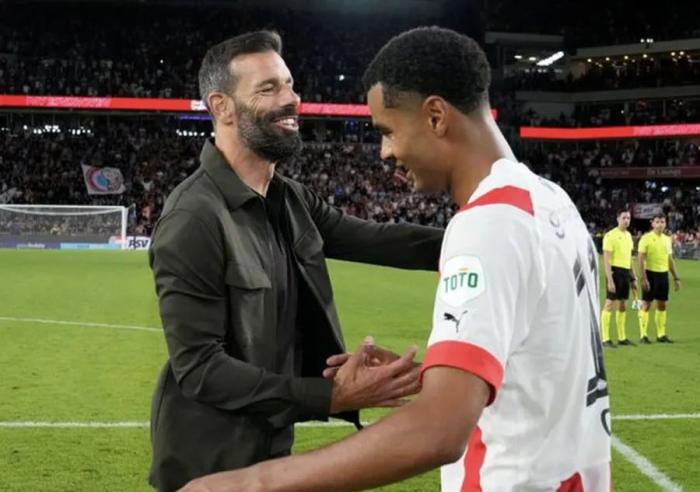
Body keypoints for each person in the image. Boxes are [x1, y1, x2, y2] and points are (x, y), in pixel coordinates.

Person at [180, 26, 611, 492]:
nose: (385, 151)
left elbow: (437, 431)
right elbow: (542, 369)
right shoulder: (550, 203)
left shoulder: (489, 226)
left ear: (436, 116)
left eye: (387, 131)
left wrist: (249, 485)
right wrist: (439, 378)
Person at [148, 30, 443, 491]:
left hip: (271, 446)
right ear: (222, 107)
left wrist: (484, 234)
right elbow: (200, 369)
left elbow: (380, 240)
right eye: (268, 89)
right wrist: (332, 395)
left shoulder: (289, 198)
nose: (291, 99)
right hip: (207, 465)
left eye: (289, 85)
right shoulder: (194, 218)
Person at [637, 213, 681, 343]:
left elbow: (670, 259)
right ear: (652, 223)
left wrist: (676, 277)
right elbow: (640, 260)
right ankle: (643, 335)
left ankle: (661, 335)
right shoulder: (645, 238)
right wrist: (643, 278)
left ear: (665, 223)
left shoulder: (667, 239)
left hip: (663, 275)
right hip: (650, 274)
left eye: (662, 222)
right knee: (646, 304)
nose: (660, 224)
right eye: (657, 222)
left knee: (662, 304)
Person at [601, 209, 638, 347]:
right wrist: (610, 280)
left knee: (623, 304)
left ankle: (622, 338)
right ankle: (605, 338)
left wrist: (633, 276)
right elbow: (606, 260)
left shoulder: (628, 236)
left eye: (628, 218)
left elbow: (629, 258)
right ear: (618, 219)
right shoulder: (610, 236)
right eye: (624, 218)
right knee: (609, 303)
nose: (626, 220)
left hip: (625, 272)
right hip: (614, 271)